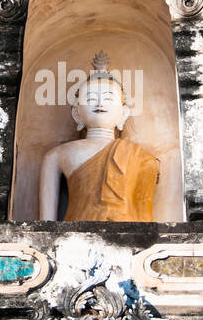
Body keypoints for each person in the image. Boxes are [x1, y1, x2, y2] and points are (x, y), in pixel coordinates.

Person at [39, 52, 159, 221]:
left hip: (128, 236)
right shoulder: (57, 155)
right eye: (91, 98)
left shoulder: (140, 157)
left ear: (123, 113)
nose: (100, 104)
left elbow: (144, 217)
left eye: (109, 99)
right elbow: (46, 224)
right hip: (74, 237)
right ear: (76, 113)